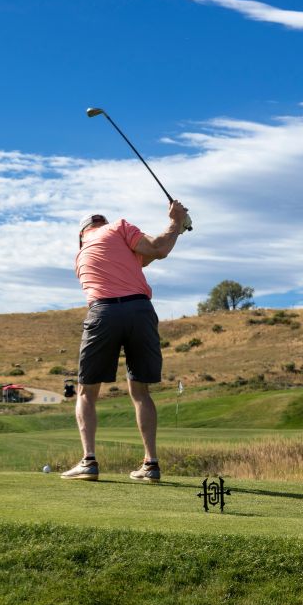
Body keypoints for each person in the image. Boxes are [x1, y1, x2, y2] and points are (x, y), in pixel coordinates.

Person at [61, 199, 190, 483]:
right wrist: (176, 222)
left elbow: (151, 253)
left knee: (86, 392)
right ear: (103, 224)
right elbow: (156, 250)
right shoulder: (118, 227)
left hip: (103, 312)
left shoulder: (81, 256)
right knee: (140, 391)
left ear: (82, 234)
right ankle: (151, 464)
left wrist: (176, 227)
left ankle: (89, 461)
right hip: (140, 311)